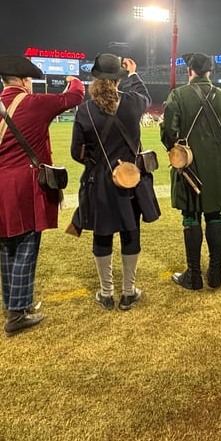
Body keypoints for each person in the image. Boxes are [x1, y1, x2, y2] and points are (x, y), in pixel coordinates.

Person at [0, 55, 84, 333]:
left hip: (1, 187)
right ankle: (18, 313)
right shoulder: (34, 103)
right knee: (26, 245)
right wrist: (74, 81)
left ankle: (11, 303)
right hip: (28, 185)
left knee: (7, 244)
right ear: (24, 81)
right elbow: (73, 97)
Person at [70, 54, 160, 310]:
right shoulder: (132, 103)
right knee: (131, 232)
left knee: (103, 234)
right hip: (131, 179)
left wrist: (95, 162)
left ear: (95, 81)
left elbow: (76, 152)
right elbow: (145, 95)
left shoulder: (85, 110)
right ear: (119, 80)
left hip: (100, 182)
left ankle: (106, 293)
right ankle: (128, 292)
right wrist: (134, 74)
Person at [161, 52, 221, 290]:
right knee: (215, 215)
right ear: (209, 72)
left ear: (190, 71)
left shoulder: (178, 94)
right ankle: (216, 274)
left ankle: (194, 275)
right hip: (216, 166)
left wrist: (173, 145)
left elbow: (169, 134)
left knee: (191, 216)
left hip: (189, 166)